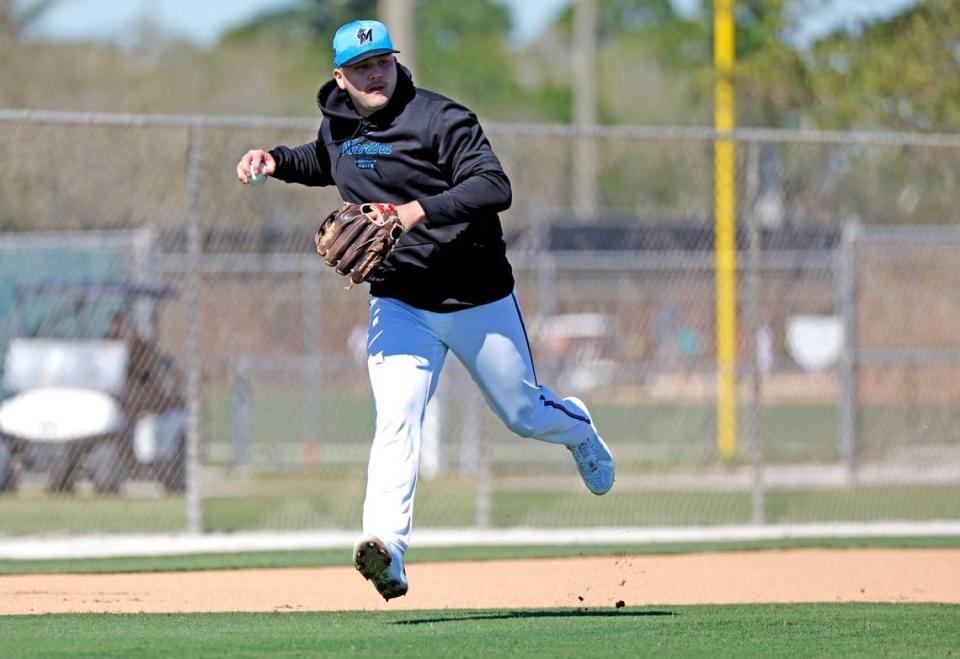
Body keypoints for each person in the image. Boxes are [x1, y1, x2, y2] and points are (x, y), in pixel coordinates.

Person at [235, 19, 614, 601]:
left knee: (522, 414)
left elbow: (494, 185)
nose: (376, 72)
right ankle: (385, 546)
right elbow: (323, 159)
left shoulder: (440, 118)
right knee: (397, 416)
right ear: (340, 78)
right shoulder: (339, 126)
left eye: (383, 60)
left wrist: (413, 212)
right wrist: (275, 160)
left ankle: (578, 427)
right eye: (362, 67)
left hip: (475, 295)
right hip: (400, 299)